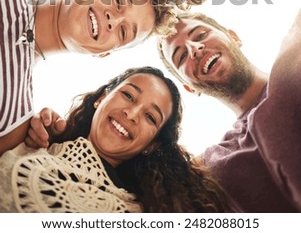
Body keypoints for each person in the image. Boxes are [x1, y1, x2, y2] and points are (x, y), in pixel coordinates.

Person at [0, 0, 175, 155]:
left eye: (123, 33)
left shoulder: (15, 120)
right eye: (118, 1)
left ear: (102, 53)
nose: (114, 20)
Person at [0, 67, 231, 213]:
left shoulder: (133, 211)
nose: (131, 114)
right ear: (101, 98)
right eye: (128, 95)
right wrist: (23, 127)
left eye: (150, 117)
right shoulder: (34, 137)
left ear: (152, 145)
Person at [158, 11, 301, 212]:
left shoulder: (296, 53)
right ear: (191, 88)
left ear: (233, 36)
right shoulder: (213, 165)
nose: (195, 49)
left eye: (200, 35)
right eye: (181, 56)